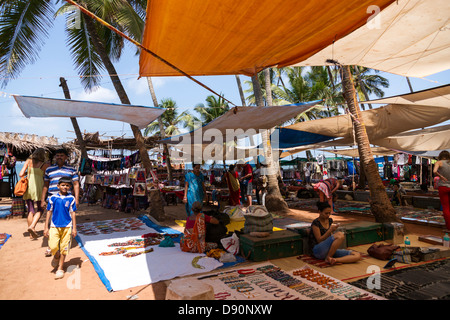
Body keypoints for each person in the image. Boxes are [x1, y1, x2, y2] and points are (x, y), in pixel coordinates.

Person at [40, 149, 79, 257]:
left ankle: (62, 243)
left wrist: (76, 199)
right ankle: (51, 245)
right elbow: (45, 185)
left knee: (65, 219)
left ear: (66, 157)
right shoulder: (49, 169)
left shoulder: (72, 169)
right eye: (57, 155)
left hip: (66, 200)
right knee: (51, 221)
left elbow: (75, 184)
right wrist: (43, 199)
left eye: (61, 155)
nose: (59, 157)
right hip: (52, 198)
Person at [43, 177, 77, 279]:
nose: (65, 187)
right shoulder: (53, 198)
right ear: (58, 186)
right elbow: (49, 212)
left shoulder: (71, 198)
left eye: (67, 185)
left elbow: (73, 213)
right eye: (63, 185)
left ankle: (60, 268)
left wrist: (74, 228)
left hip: (67, 227)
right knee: (53, 246)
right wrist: (46, 227)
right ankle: (56, 256)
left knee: (64, 248)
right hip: (54, 226)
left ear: (70, 187)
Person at [19, 148, 50, 239]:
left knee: (30, 210)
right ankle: (32, 226)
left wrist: (28, 172)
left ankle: (31, 234)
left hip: (29, 188)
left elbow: (21, 174)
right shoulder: (44, 165)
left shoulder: (28, 161)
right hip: (39, 188)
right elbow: (46, 178)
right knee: (41, 209)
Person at [433, 150, 450, 231]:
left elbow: (434, 171)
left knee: (446, 207)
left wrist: (441, 176)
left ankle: (449, 227)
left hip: (443, 187)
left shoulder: (439, 162)